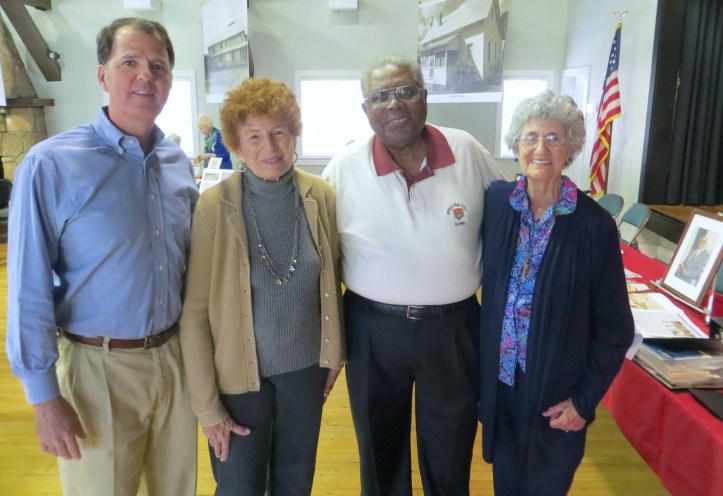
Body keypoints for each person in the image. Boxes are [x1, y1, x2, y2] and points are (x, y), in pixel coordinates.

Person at [5, 17, 198, 496]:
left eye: (158, 66)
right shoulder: (51, 163)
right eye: (129, 62)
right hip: (98, 368)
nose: (145, 76)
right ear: (102, 75)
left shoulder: (178, 164)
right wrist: (44, 398)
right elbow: (28, 285)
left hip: (175, 360)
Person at [321, 53, 503, 496]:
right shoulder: (343, 170)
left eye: (405, 91)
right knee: (380, 453)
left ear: (424, 97)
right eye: (380, 97)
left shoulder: (469, 152)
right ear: (366, 111)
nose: (395, 104)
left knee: (451, 444)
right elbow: (322, 261)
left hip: (454, 328)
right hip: (372, 330)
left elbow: (508, 225)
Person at [180, 77, 345, 496]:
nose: (269, 148)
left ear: (294, 135)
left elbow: (334, 283)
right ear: (235, 144)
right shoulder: (215, 206)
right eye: (253, 136)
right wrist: (206, 406)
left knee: (295, 483)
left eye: (278, 133)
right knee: (239, 486)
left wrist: (333, 357)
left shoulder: (321, 196)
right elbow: (196, 314)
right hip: (237, 380)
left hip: (305, 375)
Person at [478, 91, 634, 496]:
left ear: (572, 148)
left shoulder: (594, 226)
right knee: (506, 486)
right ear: (516, 146)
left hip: (557, 397)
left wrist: (585, 402)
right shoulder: (497, 203)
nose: (540, 148)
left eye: (554, 138)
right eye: (530, 137)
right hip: (503, 388)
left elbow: (616, 329)